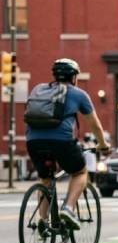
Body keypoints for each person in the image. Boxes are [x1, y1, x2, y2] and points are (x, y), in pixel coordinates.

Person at [25, 58, 110, 229]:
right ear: (74, 77)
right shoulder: (78, 94)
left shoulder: (38, 89)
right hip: (61, 142)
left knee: (45, 179)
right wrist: (103, 144)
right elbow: (95, 125)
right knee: (80, 172)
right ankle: (69, 208)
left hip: (33, 141)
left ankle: (43, 221)